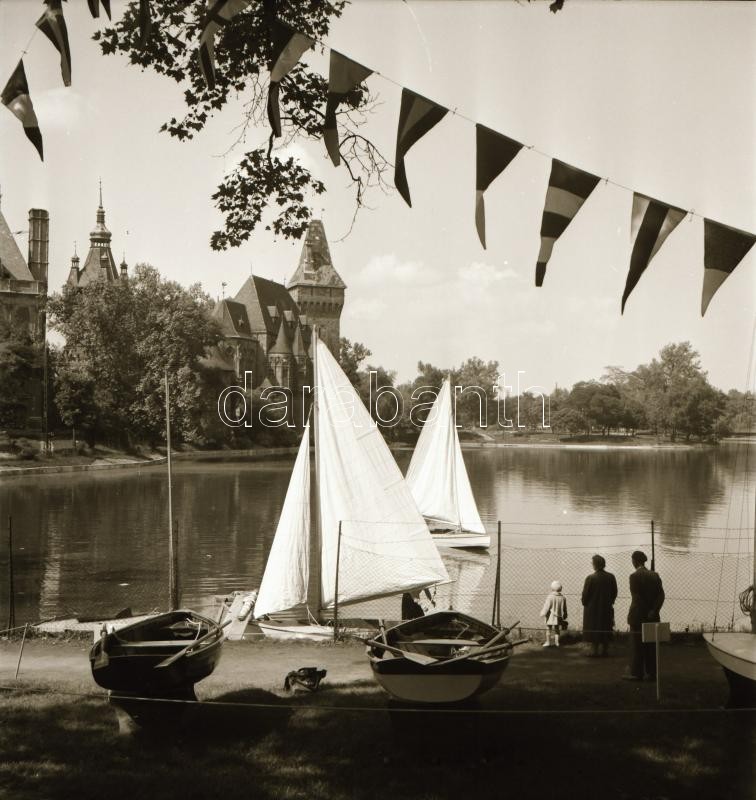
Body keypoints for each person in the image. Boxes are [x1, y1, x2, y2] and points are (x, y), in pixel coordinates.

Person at [623, 550, 665, 681]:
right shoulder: (655, 575)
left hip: (638, 615)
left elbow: (636, 597)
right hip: (652, 616)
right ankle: (652, 673)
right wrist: (654, 610)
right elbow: (661, 595)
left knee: (637, 645)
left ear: (635, 561)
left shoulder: (633, 576)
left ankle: (636, 673)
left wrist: (646, 610)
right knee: (651, 646)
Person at [581, 554, 618, 657]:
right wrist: (610, 601)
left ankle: (594, 650)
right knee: (606, 626)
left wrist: (584, 602)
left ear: (595, 565)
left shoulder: (590, 578)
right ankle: (605, 650)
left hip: (592, 609)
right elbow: (614, 592)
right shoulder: (611, 577)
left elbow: (585, 595)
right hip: (606, 607)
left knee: (594, 627)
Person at [540, 580, 568, 648]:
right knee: (557, 629)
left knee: (548, 628)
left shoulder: (550, 597)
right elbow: (564, 608)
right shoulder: (563, 597)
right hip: (558, 616)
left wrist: (543, 613)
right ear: (560, 588)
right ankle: (557, 643)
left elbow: (547, 606)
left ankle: (548, 642)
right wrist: (565, 614)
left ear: (552, 588)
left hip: (550, 616)